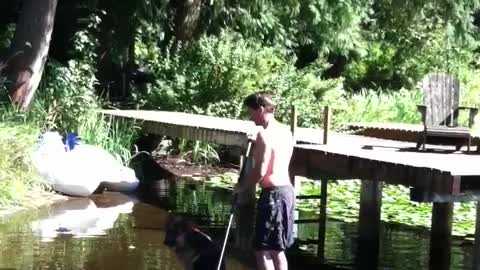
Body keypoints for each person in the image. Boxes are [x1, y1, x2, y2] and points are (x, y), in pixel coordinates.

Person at [233, 91, 295, 270]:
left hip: (273, 196)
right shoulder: (285, 131)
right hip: (287, 192)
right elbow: (275, 152)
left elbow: (260, 171)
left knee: (262, 249)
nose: (250, 117)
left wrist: (241, 188)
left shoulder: (264, 135)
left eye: (250, 112)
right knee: (277, 248)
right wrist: (258, 143)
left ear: (260, 109)